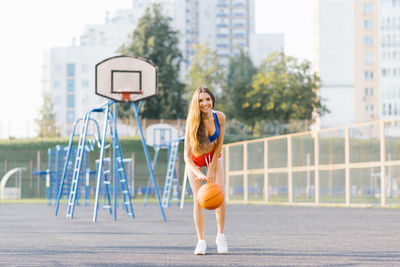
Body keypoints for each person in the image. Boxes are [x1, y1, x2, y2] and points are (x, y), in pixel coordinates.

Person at [184, 87, 228, 255]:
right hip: (195, 160)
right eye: (201, 100)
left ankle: (221, 236)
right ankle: (201, 241)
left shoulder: (220, 117)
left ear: (212, 100)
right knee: (198, 199)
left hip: (213, 157)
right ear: (197, 103)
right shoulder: (192, 121)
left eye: (207, 99)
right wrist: (198, 172)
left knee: (220, 195)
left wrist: (211, 167)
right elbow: (186, 156)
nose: (205, 103)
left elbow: (219, 144)